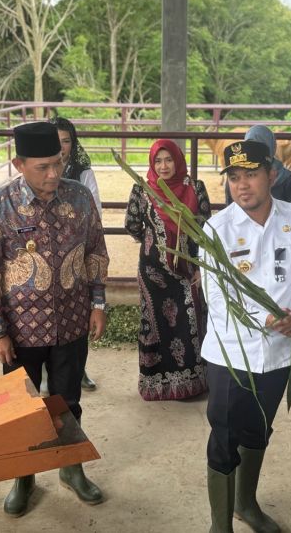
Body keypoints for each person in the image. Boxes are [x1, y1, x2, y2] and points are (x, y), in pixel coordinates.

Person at [201, 140, 291, 533]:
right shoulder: (217, 229)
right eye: (233, 177)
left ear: (272, 174)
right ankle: (220, 525)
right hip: (231, 353)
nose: (242, 185)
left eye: (250, 174)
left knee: (258, 429)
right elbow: (216, 296)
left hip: (281, 352)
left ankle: (246, 504)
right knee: (225, 435)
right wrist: (263, 317)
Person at [0, 122, 109, 516]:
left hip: (70, 323)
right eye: (43, 167)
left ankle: (71, 467)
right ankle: (25, 477)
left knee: (68, 400)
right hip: (20, 331)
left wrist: (97, 304)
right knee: (24, 407)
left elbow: (95, 253)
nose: (53, 174)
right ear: (19, 163)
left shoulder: (80, 198)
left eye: (58, 163)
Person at [125, 139, 211, 400]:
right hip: (153, 274)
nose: (163, 166)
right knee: (156, 324)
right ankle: (158, 384)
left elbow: (207, 229)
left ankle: (191, 385)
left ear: (178, 159)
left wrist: (201, 267)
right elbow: (132, 224)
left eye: (169, 160)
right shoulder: (142, 189)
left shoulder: (195, 188)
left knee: (190, 322)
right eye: (158, 161)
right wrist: (156, 243)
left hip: (188, 271)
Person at [52, 116, 101, 391]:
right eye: (55, 142)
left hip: (77, 251)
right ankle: (48, 373)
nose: (61, 148)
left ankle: (79, 370)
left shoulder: (83, 172)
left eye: (66, 141)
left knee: (77, 313)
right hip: (46, 255)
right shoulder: (38, 171)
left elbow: (95, 212)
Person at [224, 125, 291, 206]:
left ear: (271, 176)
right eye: (251, 145)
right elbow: (231, 208)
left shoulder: (288, 178)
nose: (243, 186)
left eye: (250, 175)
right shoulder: (287, 177)